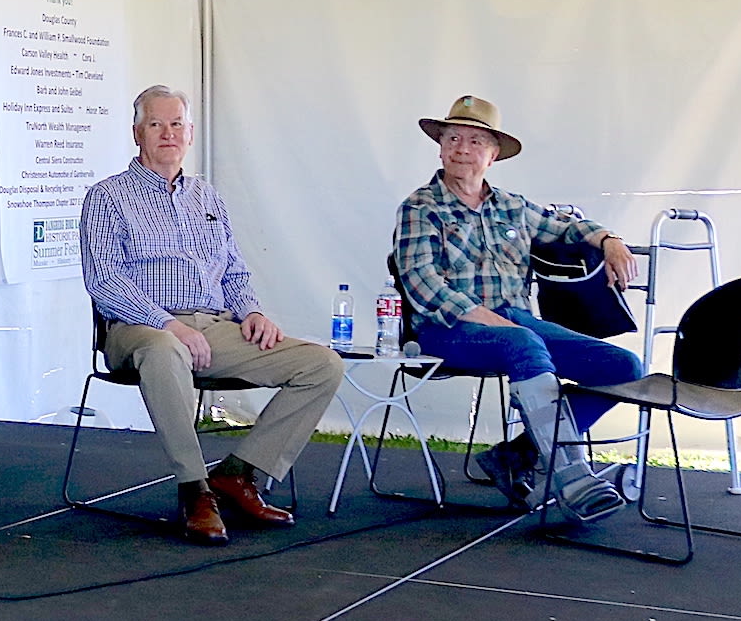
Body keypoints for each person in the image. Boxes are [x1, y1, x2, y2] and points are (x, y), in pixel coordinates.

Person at [80, 85, 343, 545]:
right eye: (156, 124)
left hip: (213, 327)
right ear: (136, 133)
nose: (168, 133)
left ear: (191, 133)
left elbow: (235, 271)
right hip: (137, 329)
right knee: (164, 350)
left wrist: (252, 312)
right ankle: (194, 489)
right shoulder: (107, 197)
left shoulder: (207, 196)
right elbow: (104, 283)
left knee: (321, 364)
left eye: (176, 124)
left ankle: (239, 475)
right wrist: (169, 324)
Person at [394, 95, 643, 522]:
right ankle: (572, 476)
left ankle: (517, 455)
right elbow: (423, 285)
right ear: (439, 146)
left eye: (475, 141)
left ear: (493, 155)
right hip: (445, 328)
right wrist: (485, 317)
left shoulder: (513, 206)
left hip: (516, 323)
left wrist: (608, 239)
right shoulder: (420, 207)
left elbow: (566, 226)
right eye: (453, 137)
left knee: (624, 367)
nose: (461, 148)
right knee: (523, 339)